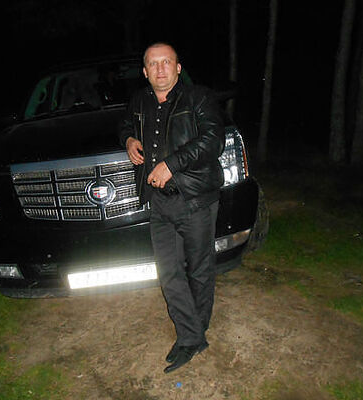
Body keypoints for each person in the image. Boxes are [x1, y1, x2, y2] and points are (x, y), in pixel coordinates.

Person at [118, 42, 225, 373]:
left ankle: (193, 336)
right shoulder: (139, 100)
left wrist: (171, 164)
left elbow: (213, 140)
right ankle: (192, 336)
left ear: (178, 68)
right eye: (153, 63)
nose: (160, 68)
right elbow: (125, 125)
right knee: (169, 273)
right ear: (145, 71)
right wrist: (128, 140)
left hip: (195, 199)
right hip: (158, 202)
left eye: (167, 62)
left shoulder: (198, 97)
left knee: (199, 270)